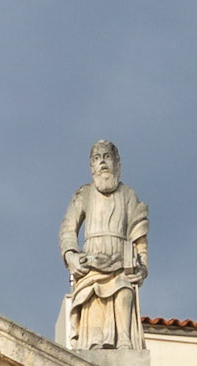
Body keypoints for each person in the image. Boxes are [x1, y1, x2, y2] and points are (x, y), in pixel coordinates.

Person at [58, 140, 149, 351]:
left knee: (124, 288)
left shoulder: (128, 195)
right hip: (91, 263)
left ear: (117, 163)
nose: (102, 163)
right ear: (92, 167)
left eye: (107, 157)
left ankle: (124, 340)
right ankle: (95, 343)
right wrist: (71, 256)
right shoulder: (85, 194)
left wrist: (142, 266)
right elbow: (68, 228)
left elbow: (139, 234)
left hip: (120, 261)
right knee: (93, 299)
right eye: (97, 159)